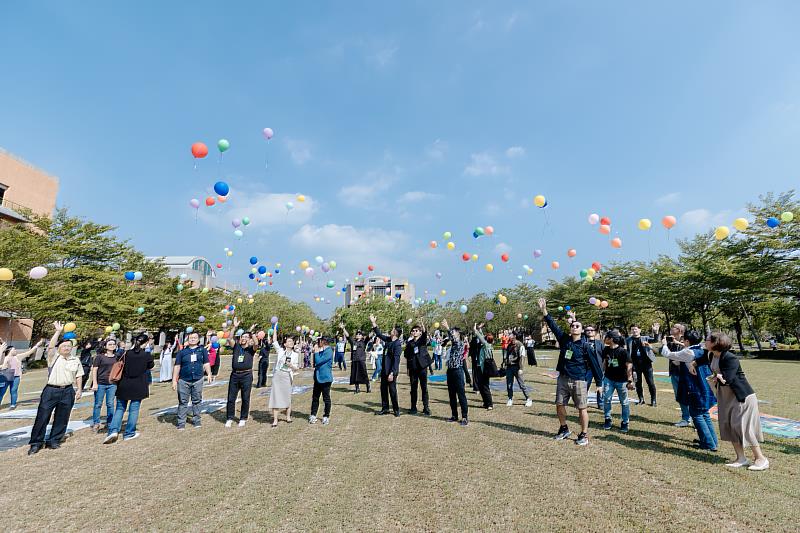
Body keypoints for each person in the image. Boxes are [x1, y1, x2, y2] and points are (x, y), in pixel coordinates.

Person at [539, 298, 604, 446]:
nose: (574, 327)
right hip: (563, 378)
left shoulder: (586, 346)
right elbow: (553, 325)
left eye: (577, 326)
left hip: (579, 380)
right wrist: (544, 311)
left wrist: (599, 383)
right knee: (559, 404)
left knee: (582, 408)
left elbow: (595, 365)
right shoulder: (564, 340)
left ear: (581, 330)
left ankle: (584, 434)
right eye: (573, 325)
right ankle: (564, 428)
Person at [706, 332, 769, 471]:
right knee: (730, 425)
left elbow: (728, 377)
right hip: (725, 396)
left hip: (741, 396)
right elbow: (704, 361)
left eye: (708, 340)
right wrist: (694, 363)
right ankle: (741, 458)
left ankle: (761, 459)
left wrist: (719, 378)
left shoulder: (730, 357)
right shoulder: (712, 355)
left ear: (717, 343)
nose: (705, 342)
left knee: (743, 426)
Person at [28, 322, 84, 455]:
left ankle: (54, 440)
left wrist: (79, 389)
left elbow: (79, 375)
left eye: (69, 346)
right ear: (59, 348)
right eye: (64, 346)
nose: (66, 348)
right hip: (51, 390)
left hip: (67, 391)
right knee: (43, 416)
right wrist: (58, 331)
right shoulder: (54, 357)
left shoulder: (75, 360)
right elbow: (51, 346)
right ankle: (36, 443)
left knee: (62, 417)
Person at [661, 330, 718, 452]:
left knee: (697, 414)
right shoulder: (702, 349)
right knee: (704, 413)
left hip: (697, 388)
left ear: (686, 341)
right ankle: (710, 440)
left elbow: (668, 354)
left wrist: (664, 344)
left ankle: (708, 443)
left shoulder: (688, 352)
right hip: (706, 387)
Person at [103, 333, 154, 443]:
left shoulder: (126, 353)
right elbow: (150, 366)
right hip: (138, 385)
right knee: (134, 410)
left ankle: (113, 430)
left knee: (120, 409)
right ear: (145, 343)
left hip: (124, 385)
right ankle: (129, 433)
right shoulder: (146, 355)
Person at [172, 331, 212, 430]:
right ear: (188, 339)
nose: (192, 339)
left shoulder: (202, 350)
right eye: (190, 338)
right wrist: (174, 380)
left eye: (195, 337)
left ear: (198, 340)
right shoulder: (182, 352)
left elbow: (206, 363)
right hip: (183, 380)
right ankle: (181, 422)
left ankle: (196, 420)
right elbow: (177, 366)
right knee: (183, 402)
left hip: (198, 379)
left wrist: (209, 374)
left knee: (197, 401)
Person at [601, 331, 634, 432]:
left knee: (624, 402)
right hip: (608, 379)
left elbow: (629, 365)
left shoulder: (623, 351)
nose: (604, 339)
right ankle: (607, 419)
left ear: (611, 339)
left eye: (606, 337)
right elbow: (605, 362)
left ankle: (625, 422)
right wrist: (602, 375)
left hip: (622, 381)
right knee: (606, 399)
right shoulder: (606, 349)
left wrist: (630, 380)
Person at [225, 326, 256, 428]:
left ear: (249, 339)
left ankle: (243, 418)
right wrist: (234, 327)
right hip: (235, 375)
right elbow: (229, 339)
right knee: (231, 398)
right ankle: (229, 418)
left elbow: (256, 343)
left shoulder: (251, 349)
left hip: (246, 375)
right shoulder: (237, 347)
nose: (244, 338)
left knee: (245, 397)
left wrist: (252, 333)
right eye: (243, 336)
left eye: (246, 337)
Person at [371, 314, 402, 417]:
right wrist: (373, 322)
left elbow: (396, 360)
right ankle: (385, 408)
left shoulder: (397, 344)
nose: (391, 331)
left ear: (396, 333)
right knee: (383, 390)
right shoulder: (388, 340)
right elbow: (379, 334)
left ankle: (396, 410)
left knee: (392, 391)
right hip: (384, 370)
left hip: (391, 371)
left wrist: (392, 373)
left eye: (393, 330)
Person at [269, 326, 299, 427]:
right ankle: (275, 420)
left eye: (292, 341)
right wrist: (275, 328)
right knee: (276, 396)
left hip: (287, 375)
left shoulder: (295, 355)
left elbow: (296, 368)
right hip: (278, 375)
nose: (291, 343)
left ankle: (288, 417)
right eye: (289, 341)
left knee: (287, 396)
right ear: (285, 344)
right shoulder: (281, 351)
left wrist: (291, 365)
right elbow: (274, 340)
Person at [0, 339, 43, 410]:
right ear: (10, 350)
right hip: (6, 376)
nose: (15, 350)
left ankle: (13, 404)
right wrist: (3, 366)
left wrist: (37, 345)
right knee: (2, 391)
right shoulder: (5, 358)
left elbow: (29, 352)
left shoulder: (18, 357)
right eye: (14, 349)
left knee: (13, 390)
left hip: (16, 377)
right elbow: (2, 365)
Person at [441, 320, 469, 425]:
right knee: (451, 395)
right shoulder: (453, 345)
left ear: (458, 334)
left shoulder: (460, 343)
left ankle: (465, 417)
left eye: (454, 332)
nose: (452, 334)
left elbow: (453, 339)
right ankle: (454, 415)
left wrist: (448, 328)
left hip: (458, 371)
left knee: (461, 395)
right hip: (451, 371)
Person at [664, 324, 692, 427]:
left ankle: (692, 418)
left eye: (673, 327)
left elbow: (691, 352)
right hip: (674, 373)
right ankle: (686, 418)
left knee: (688, 396)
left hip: (685, 374)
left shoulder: (686, 340)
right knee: (679, 396)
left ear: (679, 330)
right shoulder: (671, 340)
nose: (671, 328)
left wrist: (680, 361)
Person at [89, 338, 120, 431]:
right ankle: (96, 423)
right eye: (110, 344)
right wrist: (95, 383)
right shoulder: (100, 357)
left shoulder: (117, 357)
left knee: (110, 404)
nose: (112, 346)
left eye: (113, 344)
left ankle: (110, 422)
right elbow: (94, 370)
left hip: (112, 384)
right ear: (105, 346)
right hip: (100, 383)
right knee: (98, 404)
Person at [404, 321, 431, 415]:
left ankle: (426, 407)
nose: (414, 332)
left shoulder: (422, 340)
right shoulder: (409, 343)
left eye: (416, 330)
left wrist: (423, 326)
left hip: (422, 368)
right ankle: (413, 407)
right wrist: (408, 368)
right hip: (413, 368)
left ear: (419, 332)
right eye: (413, 330)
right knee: (413, 388)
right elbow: (407, 356)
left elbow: (425, 334)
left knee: (424, 388)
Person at [627, 325, 657, 406]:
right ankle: (641, 399)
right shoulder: (628, 340)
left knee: (650, 383)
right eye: (632, 329)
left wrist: (655, 331)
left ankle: (653, 400)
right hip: (635, 365)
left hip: (647, 364)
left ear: (639, 330)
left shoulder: (645, 338)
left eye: (636, 329)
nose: (634, 331)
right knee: (638, 383)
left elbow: (655, 339)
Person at [309, 337, 334, 425]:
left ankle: (326, 416)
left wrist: (316, 352)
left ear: (323, 342)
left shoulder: (329, 351)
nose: (317, 343)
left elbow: (318, 361)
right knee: (315, 397)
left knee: (326, 398)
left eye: (318, 341)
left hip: (326, 378)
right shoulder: (321, 350)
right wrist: (315, 352)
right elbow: (313, 363)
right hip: (317, 377)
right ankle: (313, 415)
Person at [504, 332, 532, 407]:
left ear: (515, 336)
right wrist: (505, 364)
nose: (509, 336)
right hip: (509, 367)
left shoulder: (520, 345)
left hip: (517, 367)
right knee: (509, 384)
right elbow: (507, 356)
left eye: (511, 335)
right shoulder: (509, 345)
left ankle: (528, 398)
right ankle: (510, 398)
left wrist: (521, 368)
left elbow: (522, 357)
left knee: (521, 384)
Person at [342, 323, 370, 393]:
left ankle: (368, 387)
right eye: (357, 334)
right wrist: (343, 328)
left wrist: (373, 328)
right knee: (355, 375)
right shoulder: (353, 342)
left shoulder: (364, 342)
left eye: (359, 334)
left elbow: (369, 337)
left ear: (362, 336)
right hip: (354, 360)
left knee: (364, 374)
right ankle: (357, 388)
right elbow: (348, 336)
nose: (358, 335)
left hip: (361, 360)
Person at [472, 325, 495, 410]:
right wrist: (479, 328)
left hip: (485, 369)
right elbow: (481, 336)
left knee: (485, 387)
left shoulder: (487, 345)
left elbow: (480, 337)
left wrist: (475, 330)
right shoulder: (485, 345)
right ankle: (485, 403)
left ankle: (490, 404)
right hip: (480, 368)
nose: (483, 338)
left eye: (485, 337)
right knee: (481, 386)